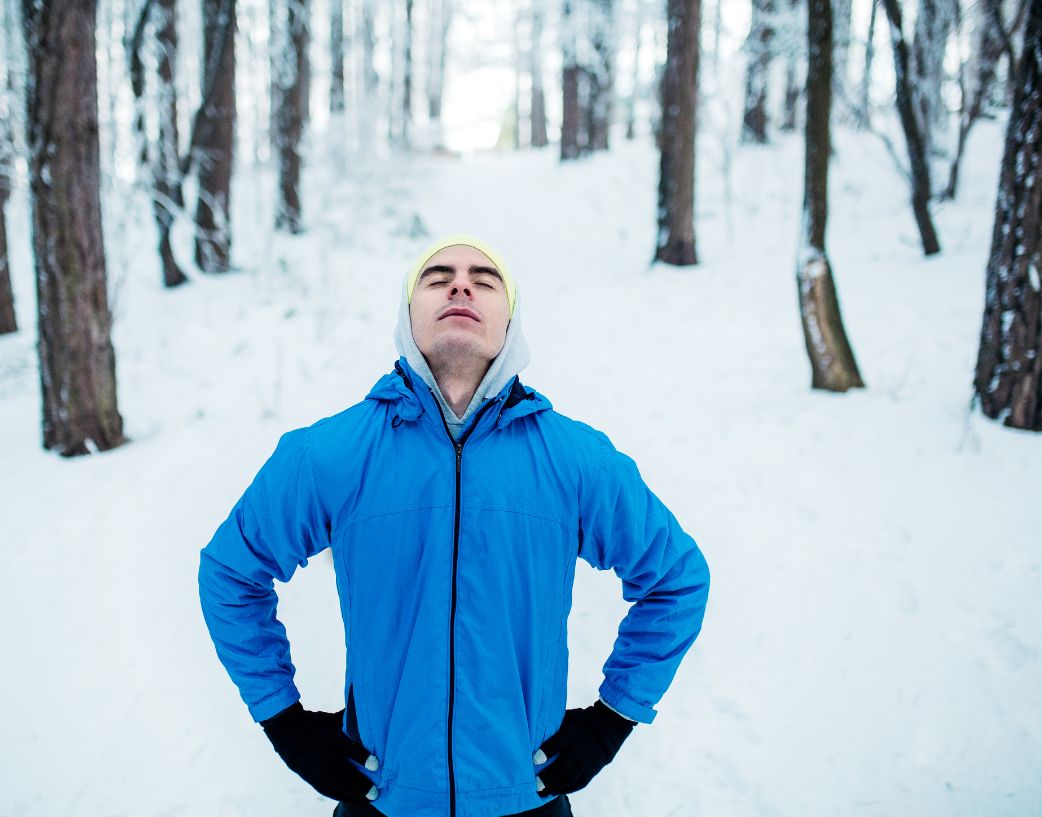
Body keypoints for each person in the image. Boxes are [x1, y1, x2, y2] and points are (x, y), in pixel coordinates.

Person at [198, 235, 711, 817]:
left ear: (509, 320)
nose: (460, 285)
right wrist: (285, 722)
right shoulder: (330, 455)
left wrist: (613, 718)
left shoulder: (575, 460)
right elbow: (230, 572)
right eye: (436, 276)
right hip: (380, 799)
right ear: (408, 313)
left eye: (484, 279)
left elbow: (676, 579)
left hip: (528, 800)